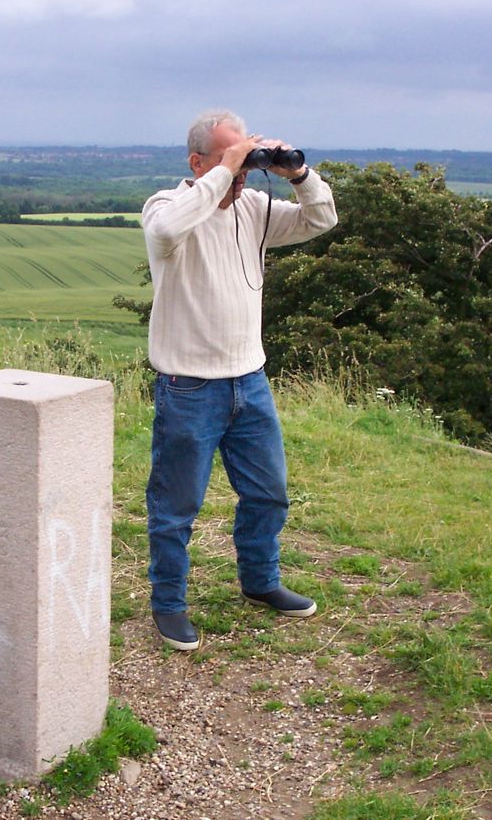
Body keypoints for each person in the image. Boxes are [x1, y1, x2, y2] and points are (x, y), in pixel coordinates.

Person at [141, 109, 338, 650]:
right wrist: (224, 172)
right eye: (232, 159)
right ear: (197, 161)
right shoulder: (166, 207)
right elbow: (166, 228)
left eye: (248, 160)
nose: (244, 173)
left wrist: (297, 173)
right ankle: (169, 603)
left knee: (268, 494)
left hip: (250, 381)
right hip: (189, 388)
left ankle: (260, 581)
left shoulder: (252, 208)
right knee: (176, 506)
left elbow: (321, 220)